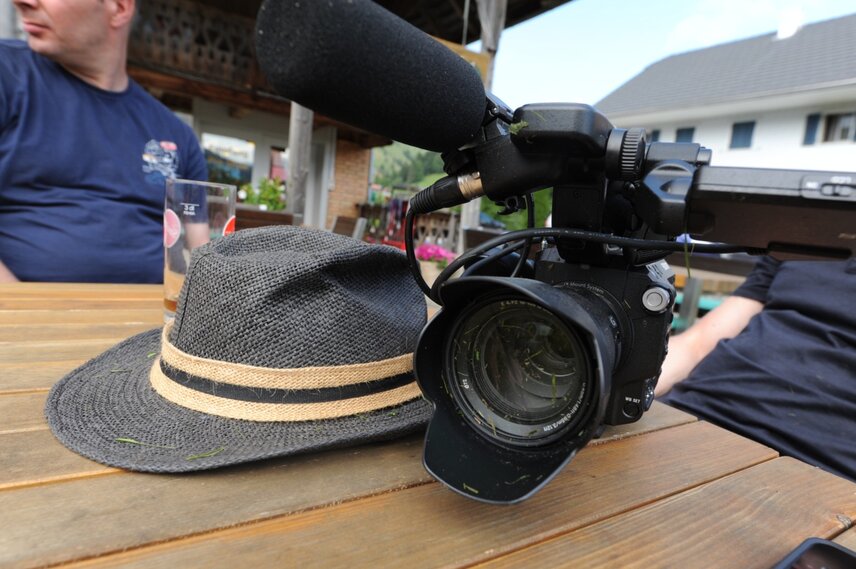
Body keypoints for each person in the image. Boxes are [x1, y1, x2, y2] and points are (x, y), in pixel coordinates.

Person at [0, 0, 208, 283]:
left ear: (119, 8)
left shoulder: (177, 135)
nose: (22, 1)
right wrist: (22, 308)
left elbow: (204, 255)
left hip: (153, 310)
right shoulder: (7, 75)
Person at [656, 255, 856, 482]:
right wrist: (630, 383)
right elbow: (697, 344)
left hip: (822, 465)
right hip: (697, 412)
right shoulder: (802, 241)